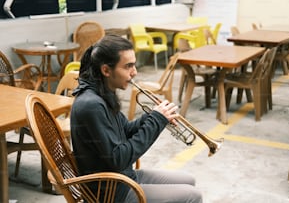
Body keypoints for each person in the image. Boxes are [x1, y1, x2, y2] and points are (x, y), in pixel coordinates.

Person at [70, 34, 203, 203]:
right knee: (193, 196)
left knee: (189, 180)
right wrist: (156, 121)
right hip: (112, 192)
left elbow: (125, 130)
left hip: (122, 178)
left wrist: (154, 115)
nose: (135, 72)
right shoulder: (91, 104)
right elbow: (118, 159)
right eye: (128, 66)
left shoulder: (102, 93)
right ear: (106, 70)